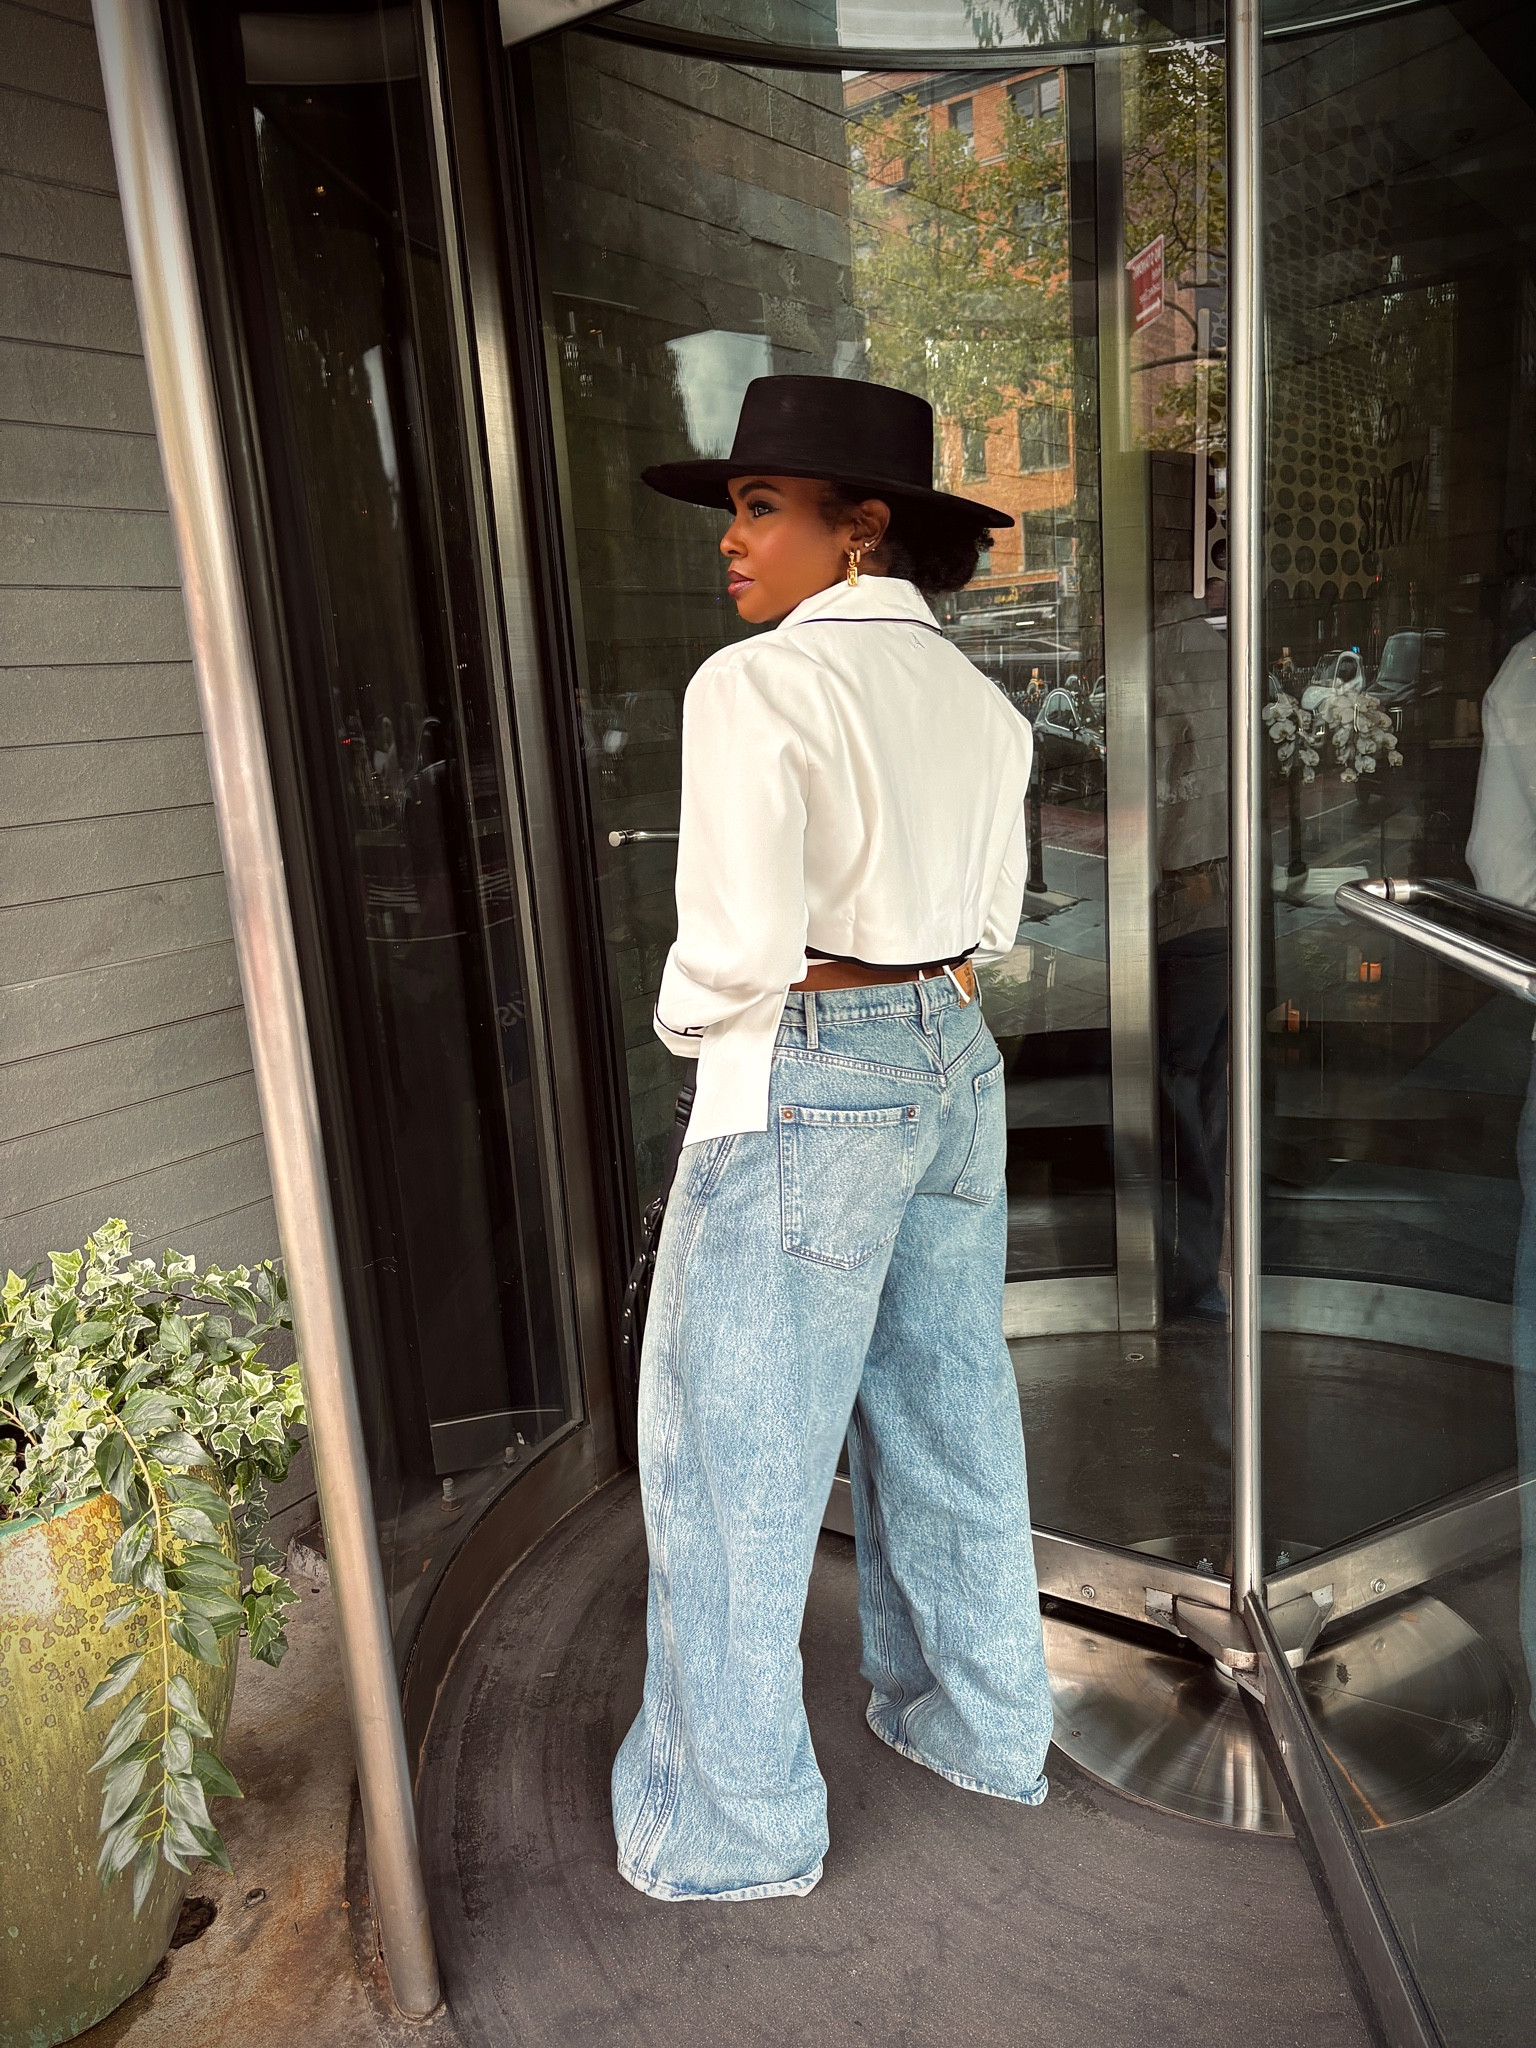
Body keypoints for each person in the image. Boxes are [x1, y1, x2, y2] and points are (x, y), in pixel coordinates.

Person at [611, 375, 1053, 1903]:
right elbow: (989, 924)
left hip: (803, 1060)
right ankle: (982, 1727)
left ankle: (727, 1834)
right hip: (949, 1049)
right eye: (734, 508)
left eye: (758, 508)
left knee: (733, 1454)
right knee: (947, 1413)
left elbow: (732, 947)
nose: (730, 544)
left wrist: (694, 1032)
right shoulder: (989, 710)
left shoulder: (755, 687)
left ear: (861, 533)